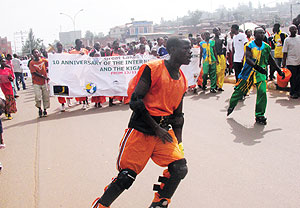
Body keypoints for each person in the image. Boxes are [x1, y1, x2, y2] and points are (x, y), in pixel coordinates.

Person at [91, 37, 191, 208]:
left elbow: (178, 116)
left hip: (163, 133)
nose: (190, 52)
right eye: (185, 49)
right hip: (141, 130)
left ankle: (159, 203)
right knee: (126, 177)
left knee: (179, 168)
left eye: (190, 49)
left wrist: (179, 143)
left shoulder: (182, 79)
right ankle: (100, 205)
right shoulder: (152, 69)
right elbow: (136, 101)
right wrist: (156, 128)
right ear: (172, 49)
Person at [227, 27, 285, 125]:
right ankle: (232, 105)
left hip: (261, 74)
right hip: (249, 72)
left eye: (263, 33)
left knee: (262, 92)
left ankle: (260, 115)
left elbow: (270, 60)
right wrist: (257, 67)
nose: (262, 35)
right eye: (259, 33)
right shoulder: (249, 45)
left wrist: (279, 70)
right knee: (239, 91)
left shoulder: (266, 47)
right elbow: (248, 59)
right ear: (254, 34)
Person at [29, 49, 50, 117]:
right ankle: (39, 108)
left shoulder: (43, 60)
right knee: (38, 97)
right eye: (34, 52)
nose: (36, 53)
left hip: (44, 82)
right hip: (36, 82)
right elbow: (34, 72)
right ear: (33, 54)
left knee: (46, 96)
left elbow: (51, 63)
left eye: (37, 52)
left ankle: (45, 110)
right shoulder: (31, 63)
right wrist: (44, 77)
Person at [69, 39, 89, 110]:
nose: (81, 44)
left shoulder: (85, 50)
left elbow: (88, 59)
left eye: (81, 43)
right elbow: (70, 62)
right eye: (79, 43)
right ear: (76, 44)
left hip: (83, 72)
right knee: (78, 87)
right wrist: (78, 56)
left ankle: (84, 102)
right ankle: (81, 100)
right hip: (76, 73)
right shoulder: (72, 52)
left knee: (83, 87)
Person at [282, 25, 300, 99]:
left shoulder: (299, 37)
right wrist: (283, 64)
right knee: (293, 78)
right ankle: (293, 92)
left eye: (295, 29)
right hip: (291, 62)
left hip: (299, 61)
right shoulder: (287, 40)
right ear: (289, 30)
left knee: (299, 78)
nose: (294, 30)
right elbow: (285, 52)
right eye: (292, 29)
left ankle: (298, 91)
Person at [89, 42, 106, 108]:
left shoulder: (102, 52)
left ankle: (100, 102)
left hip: (101, 71)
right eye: (97, 45)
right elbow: (89, 60)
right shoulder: (92, 52)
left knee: (101, 87)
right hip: (94, 72)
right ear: (94, 46)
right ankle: (96, 102)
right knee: (95, 87)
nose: (98, 46)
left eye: (99, 45)